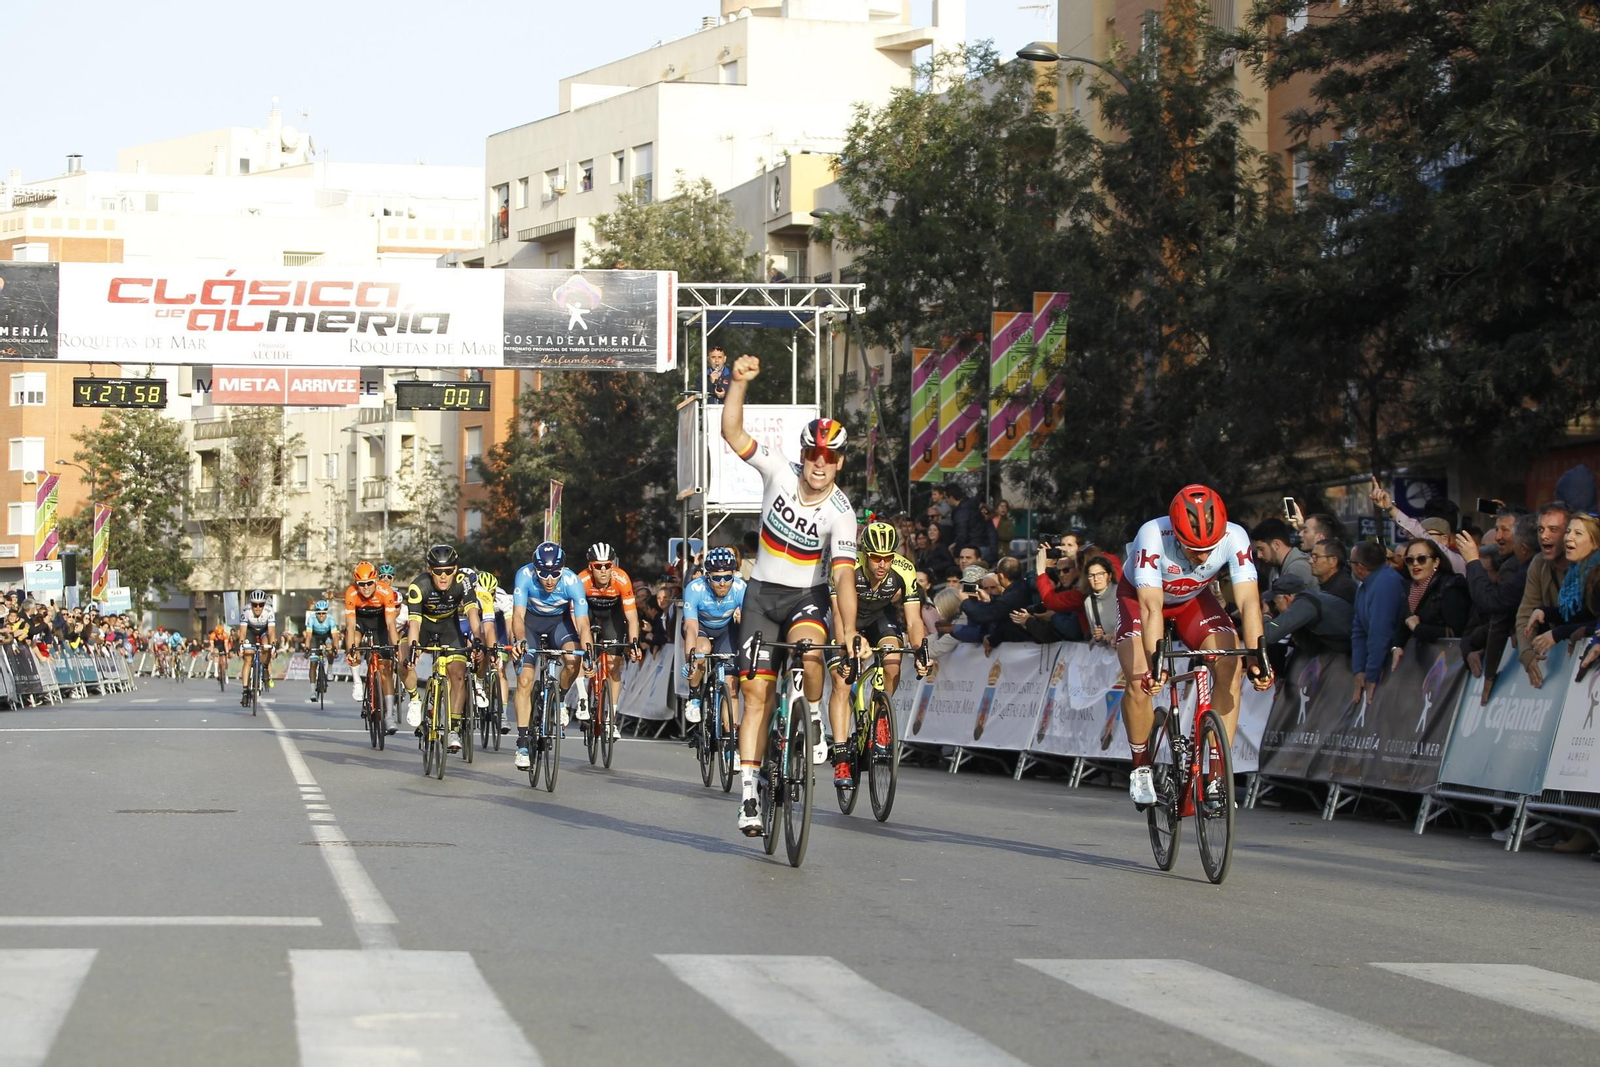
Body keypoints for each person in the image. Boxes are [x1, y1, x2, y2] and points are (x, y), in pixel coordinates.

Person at [721, 352, 858, 836]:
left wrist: (849, 632)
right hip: (761, 594)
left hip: (806, 597)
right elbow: (733, 435)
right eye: (814, 455)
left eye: (831, 458)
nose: (821, 464)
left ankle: (815, 715)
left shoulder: (842, 512)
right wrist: (738, 383)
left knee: (811, 653)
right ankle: (751, 792)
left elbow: (842, 579)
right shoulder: (778, 472)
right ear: (803, 454)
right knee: (756, 694)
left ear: (840, 462)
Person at [1119, 486, 1272, 809]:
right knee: (1138, 678)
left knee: (1232, 666)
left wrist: (1260, 656)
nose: (1202, 557)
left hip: (1192, 601)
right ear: (1175, 533)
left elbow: (1248, 602)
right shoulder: (1152, 534)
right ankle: (1140, 765)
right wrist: (1154, 663)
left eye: (1209, 549)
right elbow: (1150, 608)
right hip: (1141, 600)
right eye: (1192, 549)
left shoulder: (1236, 536)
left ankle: (1215, 774)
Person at [826, 521, 928, 788]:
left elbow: (915, 620)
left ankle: (879, 720)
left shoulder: (904, 570)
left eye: (887, 558)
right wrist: (845, 649)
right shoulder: (847, 567)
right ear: (864, 553)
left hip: (877, 618)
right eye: (876, 558)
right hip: (844, 620)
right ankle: (841, 756)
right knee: (840, 681)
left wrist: (920, 651)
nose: (882, 564)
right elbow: (838, 614)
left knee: (893, 660)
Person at [400, 545, 490, 755]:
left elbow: (473, 616)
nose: (443, 577)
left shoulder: (463, 583)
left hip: (449, 627)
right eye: (438, 572)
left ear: (455, 569)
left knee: (458, 674)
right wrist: (414, 650)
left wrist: (478, 639)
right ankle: (414, 698)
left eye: (448, 571)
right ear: (430, 570)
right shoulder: (417, 586)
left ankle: (454, 729)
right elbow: (414, 624)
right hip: (424, 625)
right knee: (403, 654)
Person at [511, 541, 594, 770]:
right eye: (544, 574)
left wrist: (588, 652)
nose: (549, 580)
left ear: (562, 570)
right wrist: (520, 640)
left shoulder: (571, 581)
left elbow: (583, 623)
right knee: (525, 680)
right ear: (535, 569)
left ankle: (559, 698)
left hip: (559, 624)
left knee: (572, 659)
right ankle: (523, 743)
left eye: (555, 574)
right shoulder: (524, 575)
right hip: (531, 625)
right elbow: (517, 616)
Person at [577, 542, 643, 741]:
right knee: (584, 652)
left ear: (613, 564)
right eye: (598, 566)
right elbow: (577, 619)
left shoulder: (622, 579)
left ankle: (610, 720)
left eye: (608, 565)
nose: (604, 570)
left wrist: (634, 644)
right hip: (587, 612)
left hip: (612, 615)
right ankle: (582, 699)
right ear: (591, 566)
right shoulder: (582, 580)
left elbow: (632, 618)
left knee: (615, 666)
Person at [682, 546, 747, 733]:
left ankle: (729, 741)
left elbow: (748, 625)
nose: (722, 583)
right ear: (707, 576)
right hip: (699, 626)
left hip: (726, 628)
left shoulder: (741, 588)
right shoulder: (695, 588)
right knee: (701, 650)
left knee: (731, 684)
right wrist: (691, 658)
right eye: (716, 578)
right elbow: (691, 627)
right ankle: (694, 697)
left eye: (727, 577)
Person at [1524, 513, 1600, 660]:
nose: (1569, 537)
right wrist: (1545, 612)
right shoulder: (1575, 572)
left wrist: (1557, 634)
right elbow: (1578, 616)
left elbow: (1595, 624)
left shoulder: (1597, 575)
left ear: (1595, 543)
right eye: (1568, 531)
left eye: (1578, 533)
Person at [1516, 502, 1574, 688]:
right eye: (1541, 529)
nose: (1544, 536)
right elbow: (1526, 613)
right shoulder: (1539, 563)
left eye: (1553, 529)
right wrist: (1526, 652)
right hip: (1562, 655)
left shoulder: (1589, 564)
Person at [1392, 538, 1469, 661]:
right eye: (1410, 560)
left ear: (1436, 562)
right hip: (1425, 663)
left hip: (1450, 662)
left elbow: (1457, 632)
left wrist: (1419, 629)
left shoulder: (1449, 588)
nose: (1415, 564)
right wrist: (1397, 646)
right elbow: (1405, 621)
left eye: (1421, 559)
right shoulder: (1409, 589)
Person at [343, 561, 401, 725]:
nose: (366, 587)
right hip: (360, 620)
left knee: (386, 669)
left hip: (380, 622)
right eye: (362, 584)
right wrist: (351, 651)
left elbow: (391, 625)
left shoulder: (385, 591)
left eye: (369, 583)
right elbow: (349, 626)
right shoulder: (351, 593)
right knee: (353, 641)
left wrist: (396, 647)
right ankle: (357, 682)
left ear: (376, 581)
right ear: (356, 583)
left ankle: (389, 715)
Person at [1261, 574, 1353, 655]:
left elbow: (1269, 636)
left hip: (1352, 648)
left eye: (1275, 602)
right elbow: (1311, 648)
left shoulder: (1305, 604)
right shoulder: (1309, 598)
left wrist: (1266, 615)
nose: (1275, 608)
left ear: (1286, 598)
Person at [1250, 517, 1316, 600]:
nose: (1259, 555)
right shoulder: (1275, 571)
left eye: (1261, 549)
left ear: (1276, 545)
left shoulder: (1299, 568)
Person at [236, 590, 276, 707]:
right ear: (251, 604)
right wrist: (241, 645)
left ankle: (264, 667)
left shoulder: (269, 611)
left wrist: (273, 646)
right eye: (254, 604)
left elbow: (272, 631)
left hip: (264, 630)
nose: (257, 607)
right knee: (248, 657)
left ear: (264, 604)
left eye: (261, 605)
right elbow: (242, 632)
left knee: (266, 646)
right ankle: (244, 690)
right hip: (250, 630)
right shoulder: (246, 610)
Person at [302, 600, 340, 702]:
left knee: (330, 648)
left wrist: (335, 647)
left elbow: (335, 636)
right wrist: (307, 647)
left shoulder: (331, 619)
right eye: (319, 613)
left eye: (323, 613)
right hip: (315, 636)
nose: (321, 616)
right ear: (316, 613)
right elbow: (309, 636)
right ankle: (312, 692)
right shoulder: (311, 619)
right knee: (313, 663)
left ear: (326, 613)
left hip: (327, 636)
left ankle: (330, 669)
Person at [1309, 539, 1358, 604]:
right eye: (1311, 556)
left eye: (1316, 557)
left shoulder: (1344, 589)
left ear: (1333, 561)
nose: (1310, 561)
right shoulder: (1327, 585)